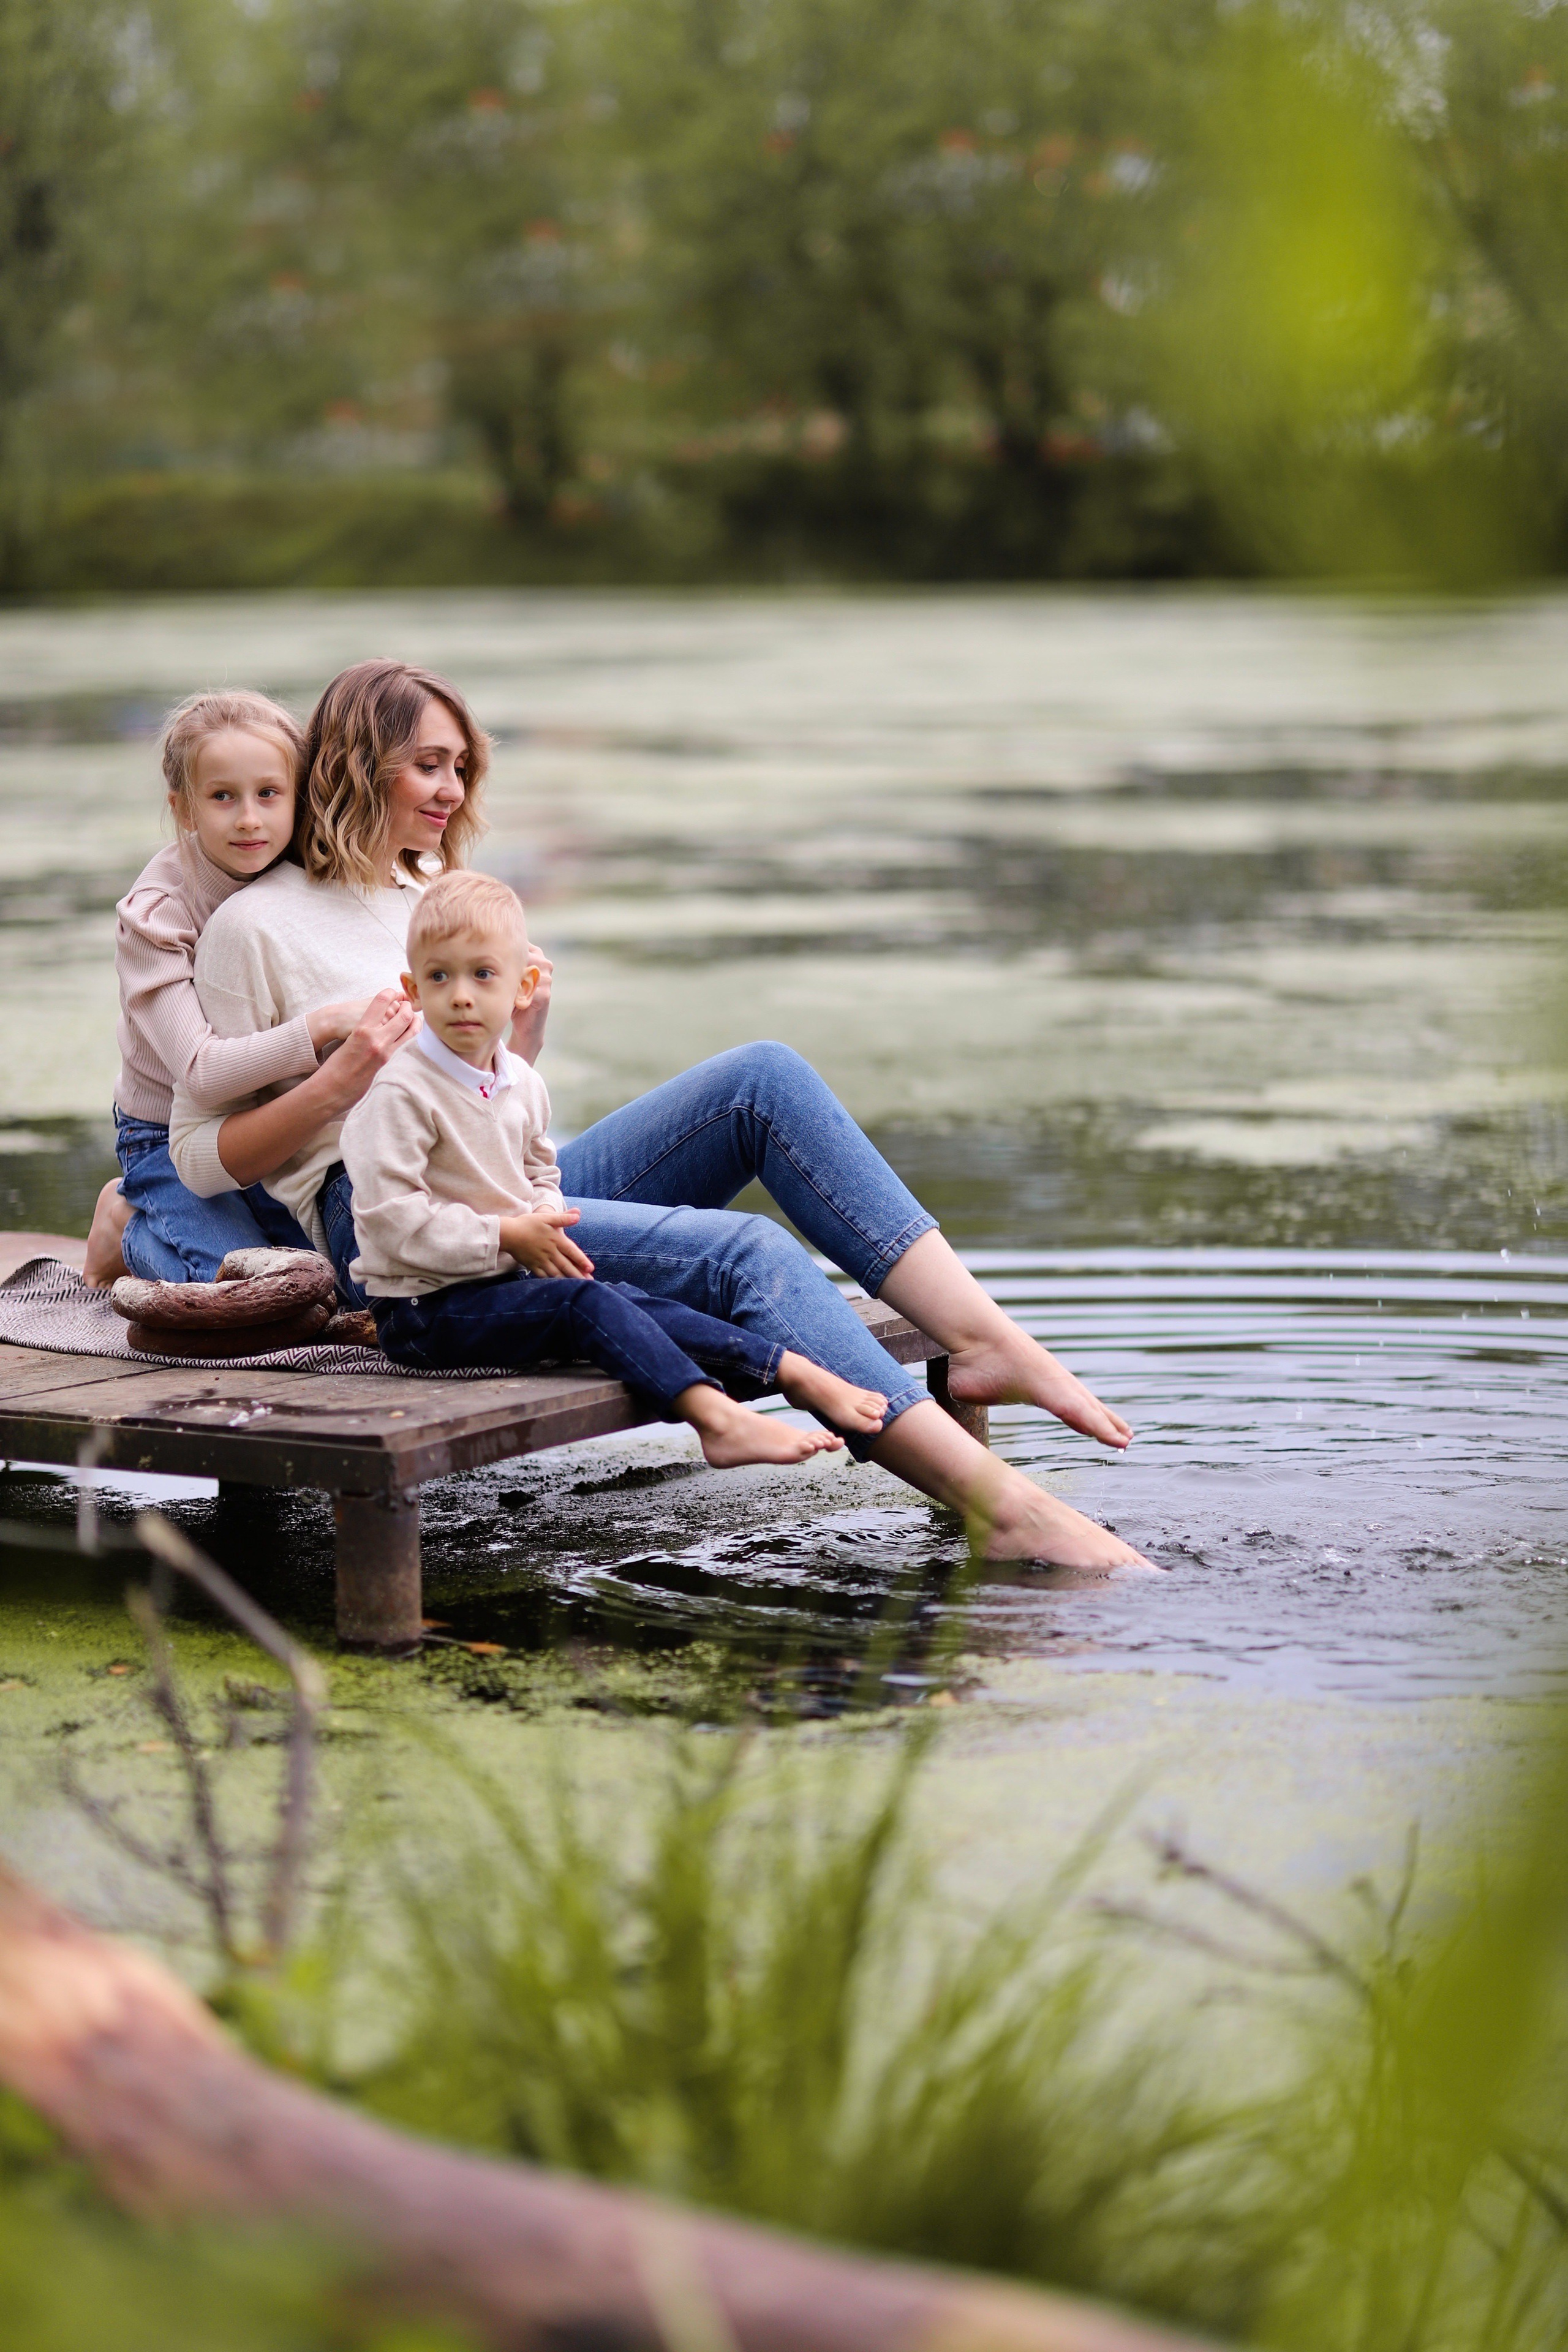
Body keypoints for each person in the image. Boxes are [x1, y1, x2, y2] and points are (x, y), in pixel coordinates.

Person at [170, 657, 1150, 1571]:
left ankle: (984, 1340)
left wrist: (523, 1033)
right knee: (746, 1255)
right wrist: (340, 1074)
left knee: (762, 1078)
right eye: (428, 765)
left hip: (513, 1177)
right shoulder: (256, 928)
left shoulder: (435, 895)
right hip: (388, 1218)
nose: (452, 790)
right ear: (354, 763)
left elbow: (488, 1093)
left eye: (462, 767)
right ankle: (1004, 1510)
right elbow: (206, 1159)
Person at [341, 869, 890, 1470]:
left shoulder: (519, 1081)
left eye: (482, 975)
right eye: (440, 976)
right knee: (584, 1309)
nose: (462, 995)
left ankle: (790, 1370)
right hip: (424, 1313)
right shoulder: (400, 1093)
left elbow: (538, 1169)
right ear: (413, 989)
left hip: (498, 1283)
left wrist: (542, 1225)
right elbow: (392, 1222)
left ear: (523, 987)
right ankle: (716, 1418)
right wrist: (506, 1236)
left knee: (624, 1298)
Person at [86, 690, 368, 1286]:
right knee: (247, 1291)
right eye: (222, 797)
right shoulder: (156, 914)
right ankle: (128, 1225)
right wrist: (322, 1027)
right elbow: (202, 1073)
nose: (248, 819)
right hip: (166, 1137)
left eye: (269, 793)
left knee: (328, 1278)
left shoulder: (307, 875)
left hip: (267, 1124)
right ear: (184, 809)